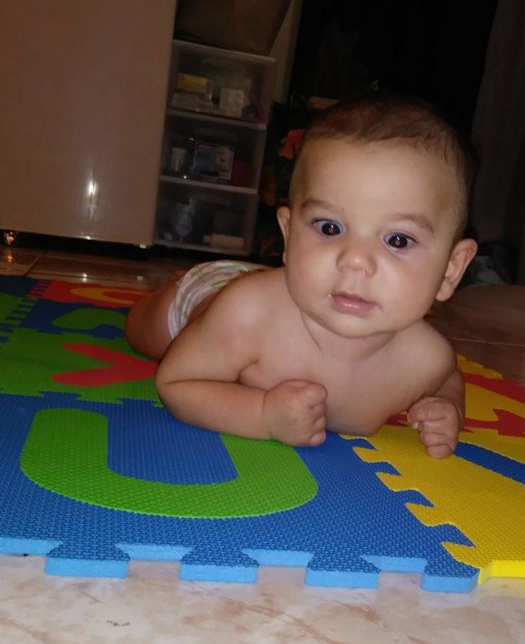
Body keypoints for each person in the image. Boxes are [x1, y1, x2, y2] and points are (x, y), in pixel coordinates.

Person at [126, 95, 477, 456]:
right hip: (214, 293)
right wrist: (263, 415)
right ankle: (170, 289)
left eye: (398, 240)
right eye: (329, 228)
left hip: (282, 284)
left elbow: (447, 378)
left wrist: (448, 405)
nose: (354, 261)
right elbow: (177, 382)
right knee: (143, 333)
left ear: (451, 270)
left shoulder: (428, 359)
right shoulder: (247, 314)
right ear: (289, 234)